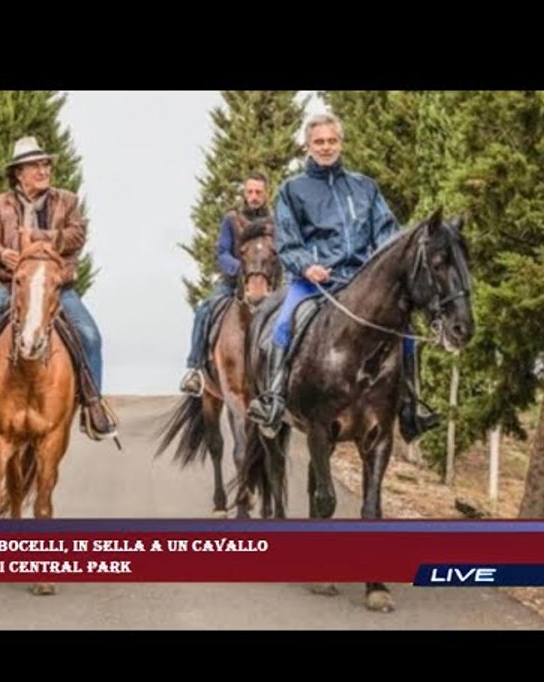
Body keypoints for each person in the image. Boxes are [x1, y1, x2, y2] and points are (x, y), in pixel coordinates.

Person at [246, 112, 440, 442]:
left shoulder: (365, 187)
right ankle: (275, 399)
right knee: (282, 324)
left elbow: (388, 234)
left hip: (362, 281)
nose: (325, 147)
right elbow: (289, 242)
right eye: (319, 142)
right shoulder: (293, 190)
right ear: (307, 146)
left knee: (405, 330)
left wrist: (384, 268)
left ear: (341, 143)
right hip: (314, 282)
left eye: (331, 141)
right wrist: (307, 265)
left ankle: (410, 408)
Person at [0, 136, 116, 440]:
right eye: (36, 165)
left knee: (89, 335)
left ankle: (93, 402)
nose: (43, 169)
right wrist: (1, 254)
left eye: (45, 164)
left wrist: (36, 237)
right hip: (12, 287)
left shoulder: (67, 200)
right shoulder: (1, 203)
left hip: (55, 287)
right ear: (18, 172)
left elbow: (77, 235)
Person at [180, 172, 271, 396]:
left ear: (266, 194)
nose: (254, 196)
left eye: (258, 192)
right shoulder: (232, 219)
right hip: (234, 283)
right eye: (250, 191)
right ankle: (195, 369)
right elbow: (222, 252)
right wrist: (241, 269)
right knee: (204, 310)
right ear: (244, 193)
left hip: (268, 282)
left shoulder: (275, 222)